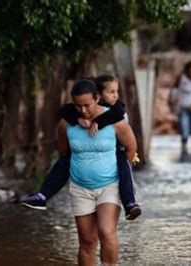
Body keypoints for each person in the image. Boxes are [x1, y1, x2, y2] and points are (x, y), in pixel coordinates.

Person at [20, 75, 142, 220]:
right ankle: (42, 196)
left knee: (124, 166)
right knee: (64, 161)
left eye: (116, 91)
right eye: (110, 92)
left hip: (115, 152)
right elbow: (65, 111)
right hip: (82, 174)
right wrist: (77, 119)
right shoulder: (79, 108)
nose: (115, 95)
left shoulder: (116, 107)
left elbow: (119, 118)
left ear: (96, 99)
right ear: (99, 95)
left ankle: (129, 203)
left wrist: (98, 121)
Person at [58, 79, 137, 265]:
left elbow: (131, 147)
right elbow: (63, 151)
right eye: (78, 106)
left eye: (87, 105)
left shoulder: (115, 120)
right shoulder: (66, 124)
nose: (83, 110)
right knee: (87, 241)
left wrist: (123, 173)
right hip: (80, 187)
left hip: (110, 184)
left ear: (98, 99)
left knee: (106, 231)